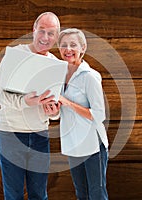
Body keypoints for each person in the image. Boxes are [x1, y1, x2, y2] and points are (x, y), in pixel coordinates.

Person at [0, 12, 61, 200]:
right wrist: (24, 102)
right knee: (13, 195)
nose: (45, 38)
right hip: (11, 135)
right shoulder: (16, 55)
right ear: (34, 30)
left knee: (39, 194)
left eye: (51, 33)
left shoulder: (56, 64)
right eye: (42, 31)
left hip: (40, 136)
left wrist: (54, 113)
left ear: (56, 37)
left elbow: (54, 109)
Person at [45, 28, 109, 200]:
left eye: (73, 45)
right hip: (73, 144)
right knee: (81, 194)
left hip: (93, 145)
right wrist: (54, 112)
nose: (68, 49)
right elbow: (59, 114)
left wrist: (68, 103)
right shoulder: (58, 75)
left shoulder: (90, 76)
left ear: (83, 48)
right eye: (64, 45)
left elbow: (99, 115)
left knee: (97, 194)